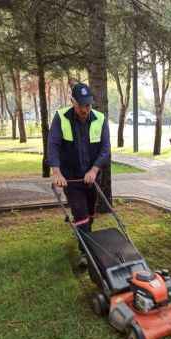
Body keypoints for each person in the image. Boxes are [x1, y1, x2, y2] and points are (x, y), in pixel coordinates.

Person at [48, 82, 110, 267]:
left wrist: (94, 169)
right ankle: (86, 254)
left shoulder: (100, 119)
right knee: (80, 213)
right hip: (71, 178)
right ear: (73, 102)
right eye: (82, 105)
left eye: (88, 104)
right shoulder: (61, 118)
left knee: (90, 213)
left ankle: (87, 240)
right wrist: (57, 172)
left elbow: (105, 149)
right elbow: (53, 145)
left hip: (92, 177)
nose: (86, 109)